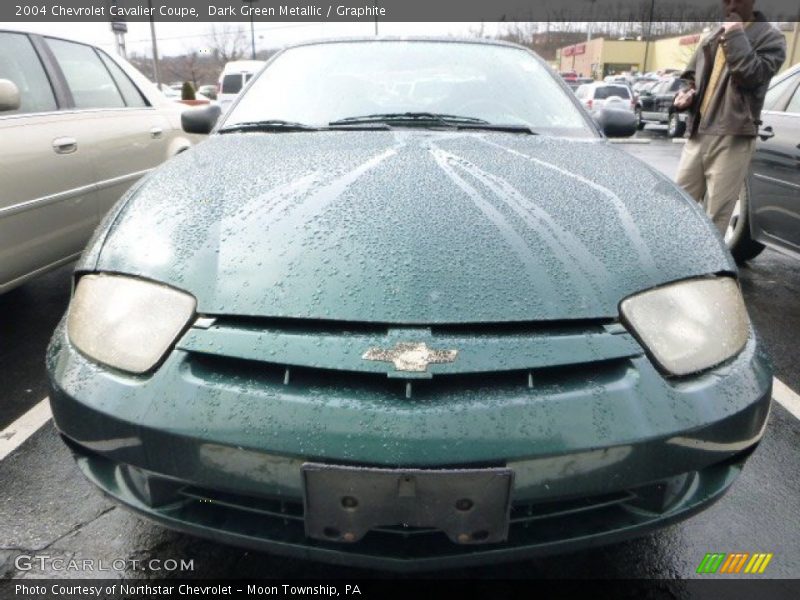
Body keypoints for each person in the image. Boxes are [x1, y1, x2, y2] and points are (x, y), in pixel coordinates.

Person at [673, 0, 785, 235]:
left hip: (733, 134)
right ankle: (675, 264)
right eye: (726, 0)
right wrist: (687, 92)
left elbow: (751, 75)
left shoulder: (771, 38)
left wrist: (735, 33)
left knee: (716, 215)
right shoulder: (714, 33)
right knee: (678, 206)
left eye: (738, 0)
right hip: (698, 131)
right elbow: (691, 75)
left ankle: (707, 269)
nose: (731, 5)